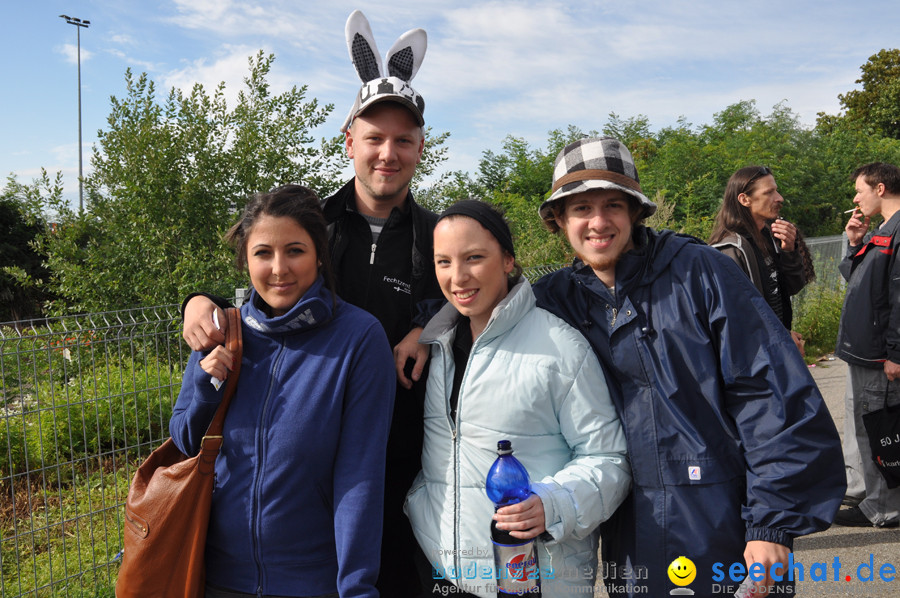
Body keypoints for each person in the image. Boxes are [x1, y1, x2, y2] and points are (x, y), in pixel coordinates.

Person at [179, 12, 440, 596]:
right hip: (321, 468)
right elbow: (266, 290)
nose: (387, 154)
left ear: (422, 146)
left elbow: (485, 291)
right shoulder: (315, 224)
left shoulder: (437, 235)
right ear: (350, 141)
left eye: (403, 140)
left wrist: (432, 323)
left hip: (413, 459)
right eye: (373, 138)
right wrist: (202, 300)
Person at [531, 137, 845, 597]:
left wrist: (771, 526)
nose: (598, 222)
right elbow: (473, 297)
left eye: (613, 205)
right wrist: (426, 326)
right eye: (580, 208)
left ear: (635, 212)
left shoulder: (700, 272)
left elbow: (771, 394)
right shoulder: (554, 300)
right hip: (630, 537)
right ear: (558, 220)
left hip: (726, 530)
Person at [169, 185, 395, 597]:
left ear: (319, 254)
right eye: (262, 253)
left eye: (294, 250)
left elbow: (360, 477)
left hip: (312, 581)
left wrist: (357, 587)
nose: (279, 269)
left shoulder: (359, 338)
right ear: (245, 259)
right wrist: (206, 387)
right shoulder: (222, 331)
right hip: (215, 578)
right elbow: (184, 440)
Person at [404, 200, 631, 597]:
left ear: (508, 260)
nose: (457, 276)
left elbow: (610, 459)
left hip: (536, 580)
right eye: (444, 262)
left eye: (474, 258)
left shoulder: (560, 348)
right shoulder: (434, 348)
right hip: (444, 572)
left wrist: (552, 503)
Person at [833, 161, 900, 528]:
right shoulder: (881, 232)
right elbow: (854, 279)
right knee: (864, 427)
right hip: (863, 351)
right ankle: (865, 494)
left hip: (879, 355)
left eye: (859, 190)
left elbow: (899, 296)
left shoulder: (898, 231)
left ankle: (884, 508)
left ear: (879, 189)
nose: (855, 198)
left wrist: (896, 353)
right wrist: (855, 242)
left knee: (880, 431)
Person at [709, 166, 814, 355]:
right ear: (744, 199)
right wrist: (780, 337)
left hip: (775, 348)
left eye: (776, 190)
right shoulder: (730, 249)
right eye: (769, 192)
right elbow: (737, 317)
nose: (779, 198)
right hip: (756, 358)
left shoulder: (768, 236)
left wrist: (789, 251)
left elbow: (792, 287)